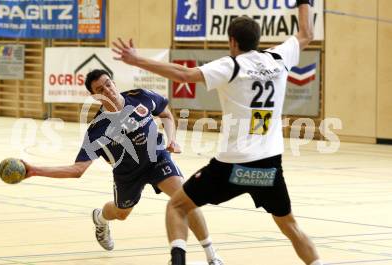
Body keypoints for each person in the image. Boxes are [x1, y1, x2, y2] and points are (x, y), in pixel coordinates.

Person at [111, 1, 324, 264]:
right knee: (291, 227)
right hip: (269, 167)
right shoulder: (279, 58)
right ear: (257, 39)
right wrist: (305, 4)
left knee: (177, 207)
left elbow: (184, 74)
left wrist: (136, 59)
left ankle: (178, 260)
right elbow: (306, 34)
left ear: (233, 42)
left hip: (232, 166)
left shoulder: (232, 66)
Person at [22, 69, 223, 265]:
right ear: (95, 97)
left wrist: (172, 140)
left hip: (157, 159)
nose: (107, 90)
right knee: (121, 213)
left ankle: (212, 256)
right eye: (100, 90)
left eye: (108, 84)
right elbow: (77, 170)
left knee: (186, 199)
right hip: (128, 175)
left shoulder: (141, 97)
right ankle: (100, 218)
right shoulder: (97, 130)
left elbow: (167, 115)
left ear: (114, 82)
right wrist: (34, 170)